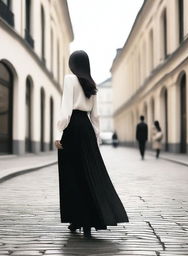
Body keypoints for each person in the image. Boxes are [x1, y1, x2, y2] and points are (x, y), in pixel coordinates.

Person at [55, 50, 128, 238]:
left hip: (72, 129)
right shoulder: (92, 84)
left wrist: (58, 133)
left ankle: (76, 218)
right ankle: (88, 221)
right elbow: (96, 116)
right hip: (86, 130)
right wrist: (95, 139)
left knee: (71, 174)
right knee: (88, 174)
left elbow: (66, 110)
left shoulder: (70, 79)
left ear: (73, 64)